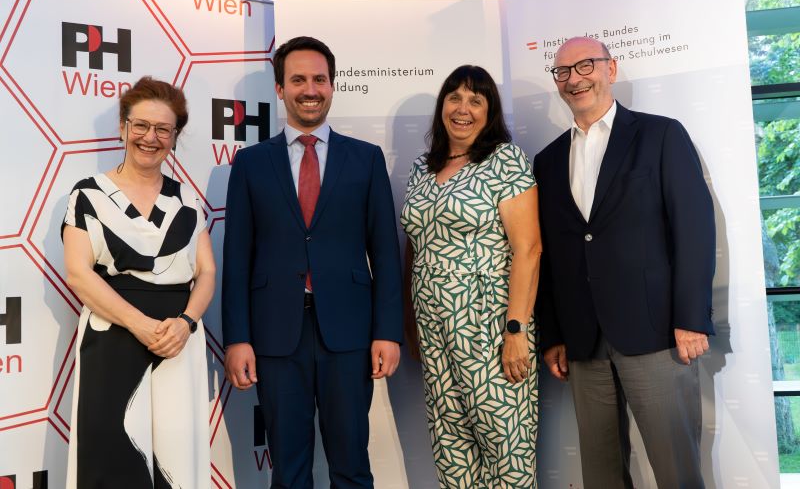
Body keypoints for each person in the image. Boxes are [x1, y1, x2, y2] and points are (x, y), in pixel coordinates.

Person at [222, 36, 403, 488]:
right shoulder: (250, 163)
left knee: (352, 467)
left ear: (332, 85)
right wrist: (237, 339)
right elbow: (237, 259)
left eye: (319, 79)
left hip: (349, 334)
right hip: (276, 336)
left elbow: (385, 252)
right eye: (298, 79)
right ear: (280, 89)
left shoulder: (365, 159)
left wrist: (387, 331)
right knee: (289, 470)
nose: (310, 89)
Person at [534, 36, 715, 488]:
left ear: (610, 69)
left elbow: (694, 230)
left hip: (657, 334)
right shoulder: (547, 160)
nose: (574, 79)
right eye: (563, 71)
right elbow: (551, 254)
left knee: (676, 471)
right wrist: (554, 334)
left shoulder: (660, 135)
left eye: (586, 66)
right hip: (583, 341)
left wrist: (690, 318)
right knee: (601, 476)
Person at [62, 76, 215, 488]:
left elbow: (206, 272)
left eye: (163, 129)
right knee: (110, 454)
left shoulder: (186, 199)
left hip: (178, 342)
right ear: (123, 127)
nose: (151, 137)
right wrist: (140, 324)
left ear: (175, 137)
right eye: (141, 125)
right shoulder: (88, 195)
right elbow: (78, 274)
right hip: (113, 339)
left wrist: (186, 323)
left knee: (176, 460)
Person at [401, 65, 541, 488]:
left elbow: (528, 249)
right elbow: (415, 247)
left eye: (475, 101)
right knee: (452, 451)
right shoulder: (422, 167)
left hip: (490, 326)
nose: (463, 109)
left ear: (489, 112)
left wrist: (516, 330)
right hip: (434, 330)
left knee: (506, 453)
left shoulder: (504, 160)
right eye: (455, 98)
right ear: (442, 105)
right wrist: (411, 325)